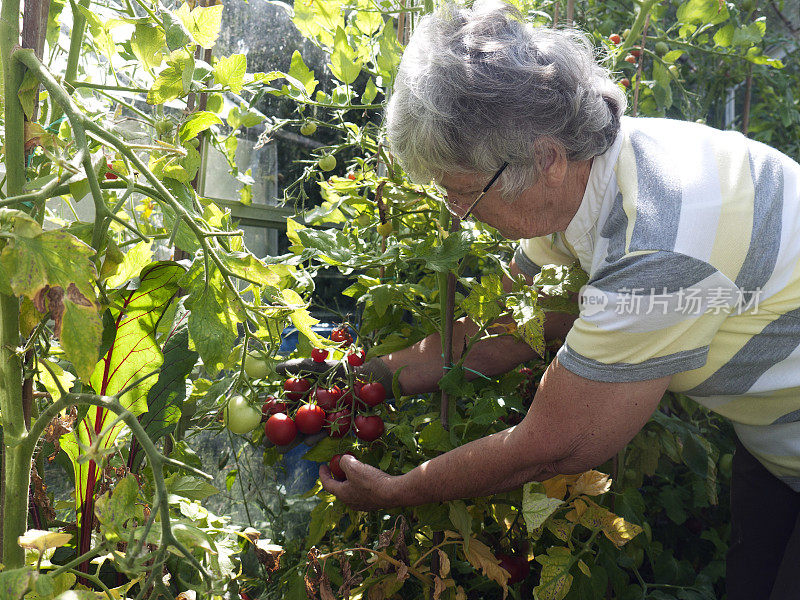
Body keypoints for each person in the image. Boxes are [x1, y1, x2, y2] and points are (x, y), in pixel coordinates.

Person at [281, 3, 800, 598]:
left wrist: (398, 491)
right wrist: (352, 378)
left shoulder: (658, 245)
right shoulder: (589, 182)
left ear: (546, 158)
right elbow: (503, 331)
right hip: (774, 446)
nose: (459, 212)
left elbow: (556, 445)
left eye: (464, 193)